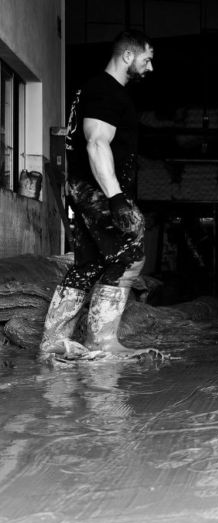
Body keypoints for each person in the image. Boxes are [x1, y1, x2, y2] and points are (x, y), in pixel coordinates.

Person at [39, 30, 155, 358]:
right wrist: (116, 198)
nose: (150, 67)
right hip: (99, 193)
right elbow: (97, 142)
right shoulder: (107, 91)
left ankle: (53, 343)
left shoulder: (95, 90)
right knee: (130, 258)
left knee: (88, 264)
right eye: (147, 59)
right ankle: (102, 343)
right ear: (128, 56)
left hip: (82, 191)